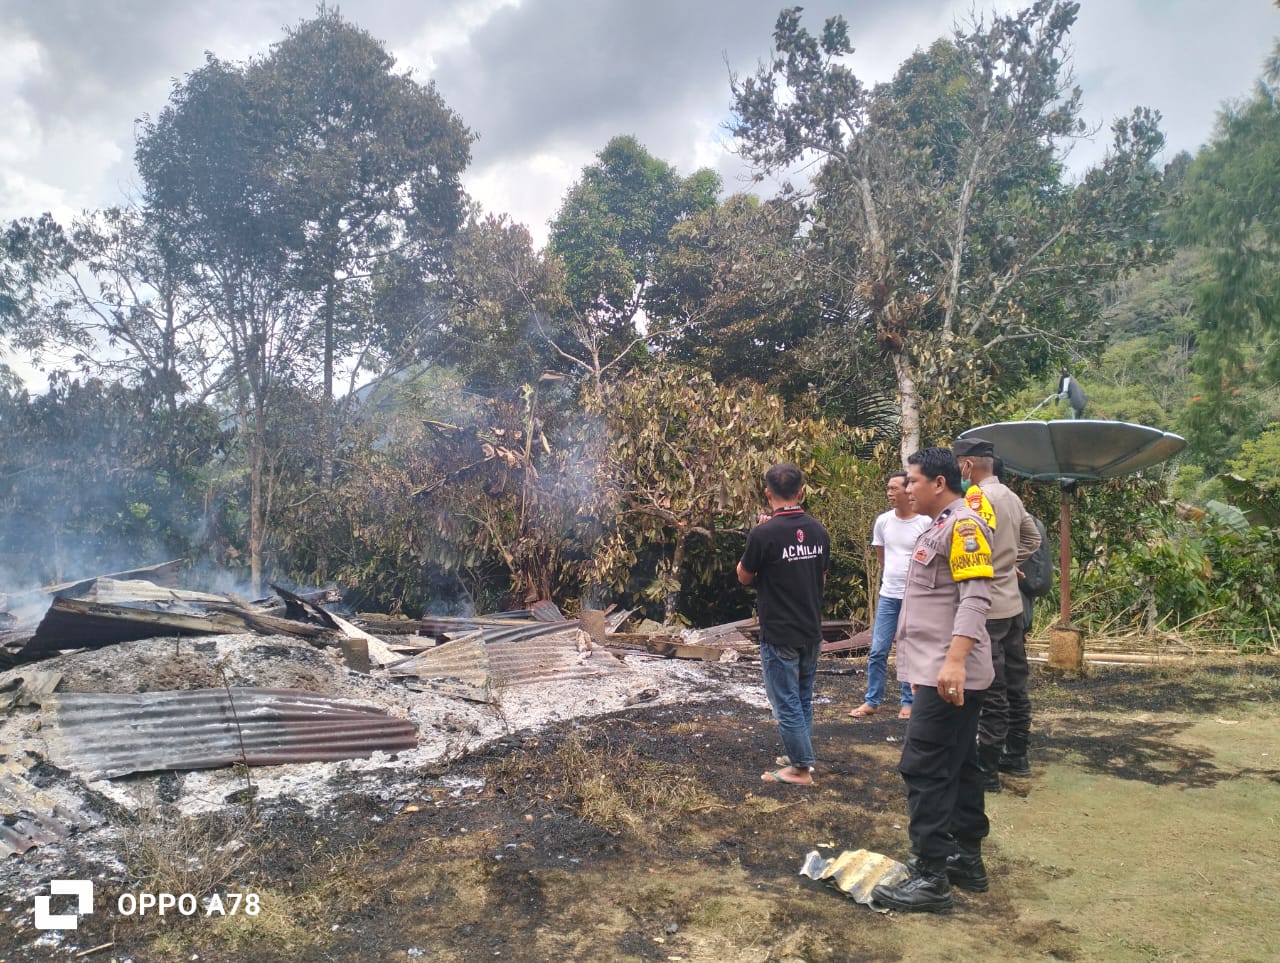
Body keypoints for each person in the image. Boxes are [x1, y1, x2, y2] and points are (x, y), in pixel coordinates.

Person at [870, 447, 994, 914]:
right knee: (960, 765)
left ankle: (930, 876)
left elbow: (976, 598)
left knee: (923, 766)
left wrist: (954, 661)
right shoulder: (939, 526)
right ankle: (965, 860)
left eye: (914, 481)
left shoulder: (964, 526)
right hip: (938, 671)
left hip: (949, 673)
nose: (907, 488)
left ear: (939, 483)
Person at [953, 437, 1041, 792]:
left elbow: (971, 549)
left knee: (991, 688)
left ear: (967, 465)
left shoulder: (974, 500)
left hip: (986, 608)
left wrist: (990, 566)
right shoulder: (1011, 496)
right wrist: (1008, 565)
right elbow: (1032, 539)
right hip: (1012, 605)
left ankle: (987, 770)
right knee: (1016, 682)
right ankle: (1017, 755)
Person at [737, 462, 831, 787]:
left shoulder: (763, 533)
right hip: (810, 627)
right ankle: (798, 756)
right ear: (800, 492)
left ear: (768, 494)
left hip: (779, 630)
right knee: (802, 697)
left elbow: (744, 576)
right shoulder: (818, 531)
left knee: (785, 701)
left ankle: (800, 770)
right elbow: (821, 577)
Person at [850, 471, 931, 721]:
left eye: (894, 488)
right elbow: (882, 557)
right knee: (878, 650)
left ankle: (908, 702)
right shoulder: (883, 521)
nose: (889, 493)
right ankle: (872, 700)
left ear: (908, 491)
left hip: (915, 596)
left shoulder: (924, 522)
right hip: (888, 594)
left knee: (908, 649)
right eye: (888, 488)